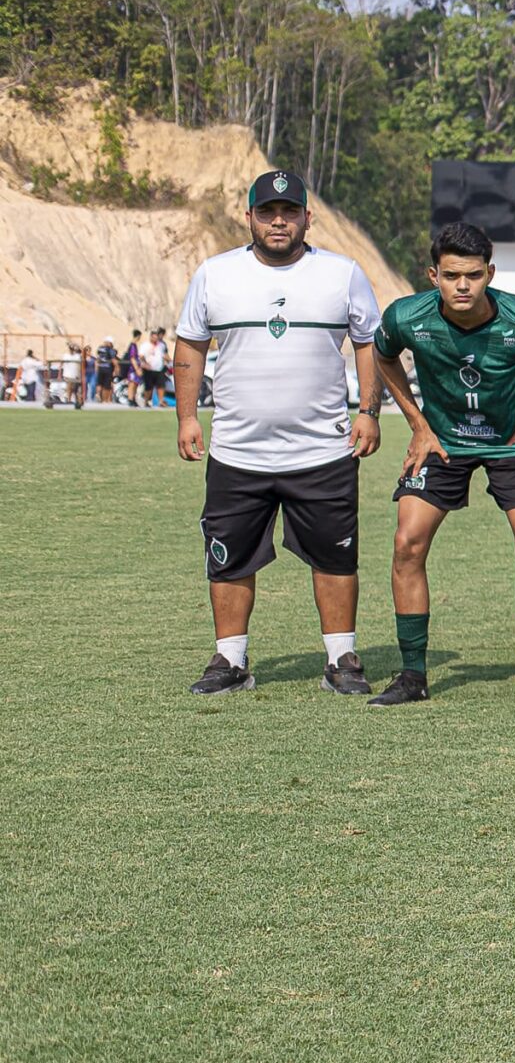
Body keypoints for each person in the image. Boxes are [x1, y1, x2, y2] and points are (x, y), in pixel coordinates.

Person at [175, 170, 384, 695]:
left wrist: (369, 410)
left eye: (289, 212)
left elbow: (369, 344)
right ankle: (230, 661)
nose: (278, 221)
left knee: (335, 556)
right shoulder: (215, 274)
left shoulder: (342, 273)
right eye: (267, 212)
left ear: (307, 218)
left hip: (323, 450)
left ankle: (341, 659)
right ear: (249, 217)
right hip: (237, 451)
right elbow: (190, 346)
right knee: (229, 558)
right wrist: (185, 417)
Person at [369, 223, 515, 707]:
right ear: (433, 274)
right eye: (452, 275)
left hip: (510, 439)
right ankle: (413, 673)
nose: (462, 286)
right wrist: (417, 423)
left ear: (489, 273)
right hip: (442, 441)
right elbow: (382, 355)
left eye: (473, 276)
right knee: (406, 542)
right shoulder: (406, 316)